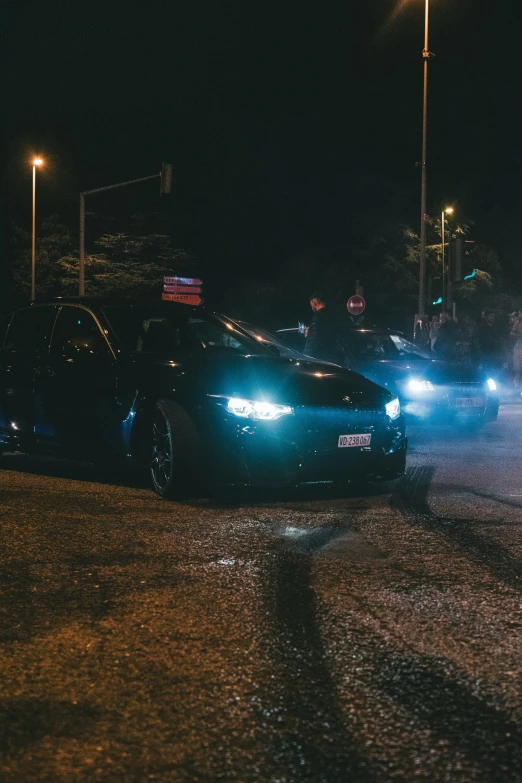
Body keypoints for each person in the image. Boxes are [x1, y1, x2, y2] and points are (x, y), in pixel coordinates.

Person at [304, 292, 347, 365]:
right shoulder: (334, 316)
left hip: (321, 359)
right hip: (335, 357)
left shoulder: (317, 318)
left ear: (314, 303)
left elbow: (312, 342)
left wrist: (306, 359)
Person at [475, 310, 504, 374]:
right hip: (484, 351)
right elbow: (478, 339)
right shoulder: (481, 327)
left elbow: (498, 339)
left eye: (493, 316)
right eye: (490, 316)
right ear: (486, 317)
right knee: (485, 369)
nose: (492, 318)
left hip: (493, 352)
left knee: (493, 369)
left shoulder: (495, 328)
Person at [510, 310, 522, 391]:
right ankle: (517, 385)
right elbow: (512, 333)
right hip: (519, 344)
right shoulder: (518, 322)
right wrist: (518, 335)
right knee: (517, 366)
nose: (520, 315)